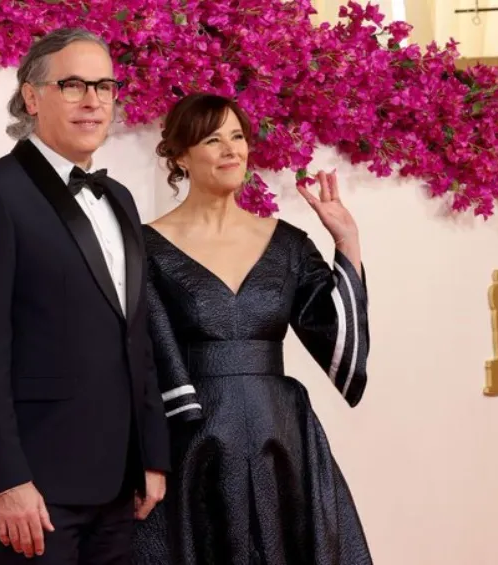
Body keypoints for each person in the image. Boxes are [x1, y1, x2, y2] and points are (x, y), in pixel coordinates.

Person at [0, 28, 170, 565]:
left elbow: (136, 336)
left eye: (106, 87)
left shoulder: (120, 199)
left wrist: (152, 455)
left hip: (120, 484)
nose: (93, 101)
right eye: (73, 85)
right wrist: (5, 481)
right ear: (31, 96)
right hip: (34, 488)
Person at [131, 93, 373, 564]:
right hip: (192, 439)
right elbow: (140, 358)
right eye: (212, 138)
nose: (231, 150)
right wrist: (145, 456)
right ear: (179, 155)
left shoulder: (287, 244)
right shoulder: (145, 247)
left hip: (281, 435)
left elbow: (339, 340)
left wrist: (347, 241)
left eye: (237, 136)